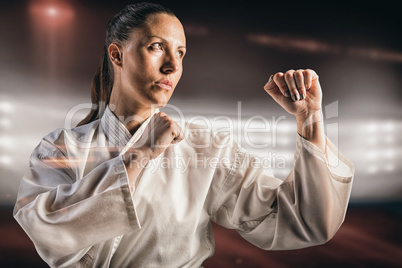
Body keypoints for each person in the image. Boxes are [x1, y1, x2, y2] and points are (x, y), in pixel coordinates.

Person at [13, 2, 354, 268]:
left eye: (180, 53)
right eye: (157, 47)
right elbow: (48, 232)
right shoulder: (61, 146)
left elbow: (301, 221)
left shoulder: (206, 148)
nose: (172, 67)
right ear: (117, 54)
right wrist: (140, 154)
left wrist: (310, 119)